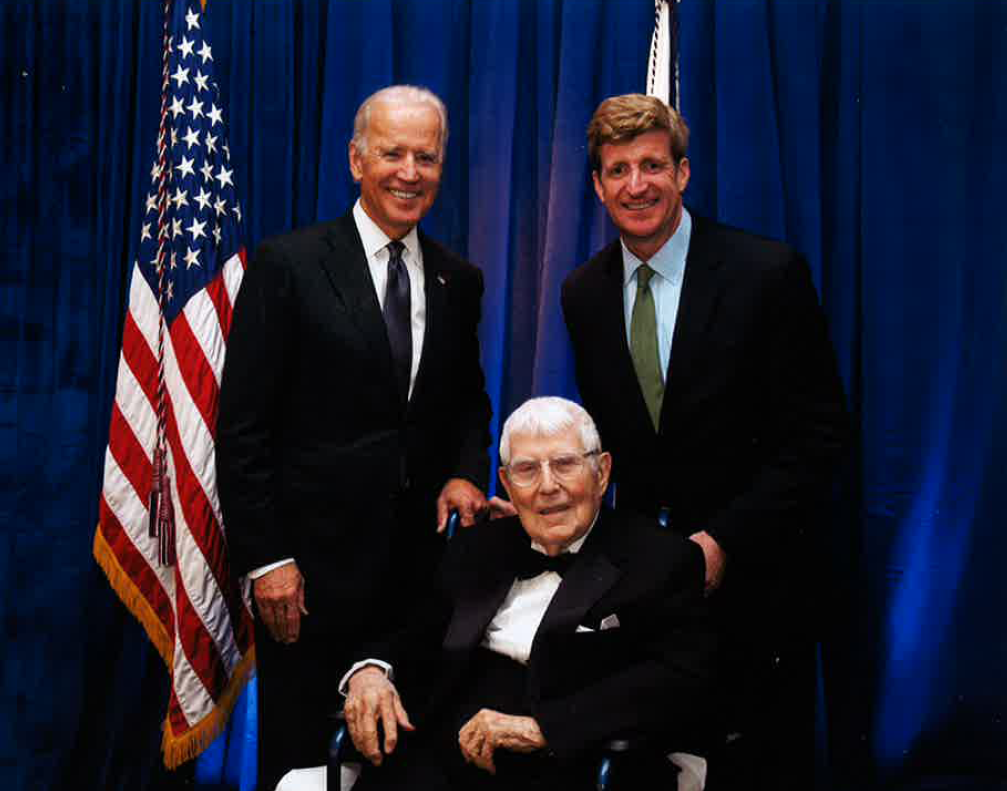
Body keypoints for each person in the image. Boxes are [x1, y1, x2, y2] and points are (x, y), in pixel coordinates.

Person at [560, 94, 850, 788]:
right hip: (650, 597)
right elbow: (614, 445)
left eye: (653, 165)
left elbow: (818, 435)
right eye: (618, 169)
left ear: (683, 173)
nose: (637, 185)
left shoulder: (766, 274)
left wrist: (723, 539)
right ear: (597, 186)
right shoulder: (582, 293)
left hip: (759, 584)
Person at [216, 85, 493, 790]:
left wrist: (465, 470)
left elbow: (467, 402)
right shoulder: (289, 265)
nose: (409, 171)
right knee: (304, 769)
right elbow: (242, 425)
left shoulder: (458, 279)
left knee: (401, 765)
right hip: (307, 582)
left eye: (425, 157)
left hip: (415, 583)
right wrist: (267, 558)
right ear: (355, 159)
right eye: (392, 153)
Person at [341, 397, 718, 791]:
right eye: (527, 470)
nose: (547, 486)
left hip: (569, 763)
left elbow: (679, 677)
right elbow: (415, 630)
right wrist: (371, 670)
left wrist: (548, 728)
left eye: (565, 464)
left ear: (601, 472)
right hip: (438, 757)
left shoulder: (661, 558)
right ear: (505, 483)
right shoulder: (476, 548)